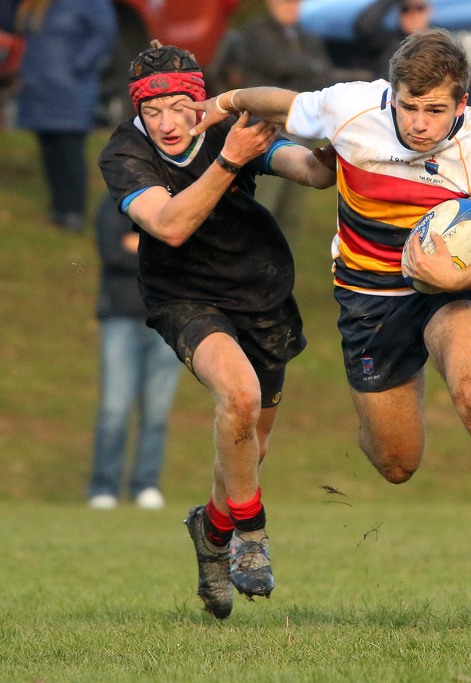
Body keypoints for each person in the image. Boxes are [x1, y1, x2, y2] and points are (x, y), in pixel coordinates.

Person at [185, 28, 471, 612]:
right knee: (396, 464)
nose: (419, 123)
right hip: (369, 300)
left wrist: (456, 279)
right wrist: (224, 102)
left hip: (447, 293)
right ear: (391, 94)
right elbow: (283, 103)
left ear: (461, 104)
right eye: (409, 107)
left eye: (435, 111)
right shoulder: (351, 107)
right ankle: (365, 411)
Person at [98, 41, 336, 619]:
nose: (166, 123)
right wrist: (228, 159)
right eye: (152, 112)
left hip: (262, 294)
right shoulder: (125, 154)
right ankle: (250, 536)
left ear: (199, 100)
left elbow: (310, 171)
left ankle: (213, 530)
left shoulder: (236, 126)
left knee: (253, 446)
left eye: (179, 107)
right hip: (183, 296)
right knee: (240, 395)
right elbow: (169, 225)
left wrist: (339, 138)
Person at [88, 194, 182, 511]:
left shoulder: (179, 200)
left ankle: (146, 484)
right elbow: (112, 253)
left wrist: (137, 242)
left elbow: (184, 258)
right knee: (114, 408)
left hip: (167, 321)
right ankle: (103, 487)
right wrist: (160, 244)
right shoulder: (115, 200)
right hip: (120, 318)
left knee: (157, 411)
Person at [217, 0, 341, 231]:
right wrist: (311, 70)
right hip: (266, 128)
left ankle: (285, 254)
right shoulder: (256, 30)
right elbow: (278, 64)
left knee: (293, 204)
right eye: (285, 1)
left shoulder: (305, 35)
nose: (291, 6)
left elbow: (324, 73)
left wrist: (310, 71)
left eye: (296, 2)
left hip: (300, 128)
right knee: (265, 199)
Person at [14, 0, 116, 233]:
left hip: (71, 89)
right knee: (49, 149)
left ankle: (74, 211)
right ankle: (59, 209)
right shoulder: (35, 4)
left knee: (69, 150)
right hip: (39, 86)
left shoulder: (92, 4)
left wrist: (79, 65)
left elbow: (104, 33)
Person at [354, 0, 433, 80]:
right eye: (405, 9)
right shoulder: (387, 42)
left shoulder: (440, 42)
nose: (413, 14)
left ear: (429, 10)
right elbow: (364, 27)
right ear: (399, 14)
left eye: (419, 8)